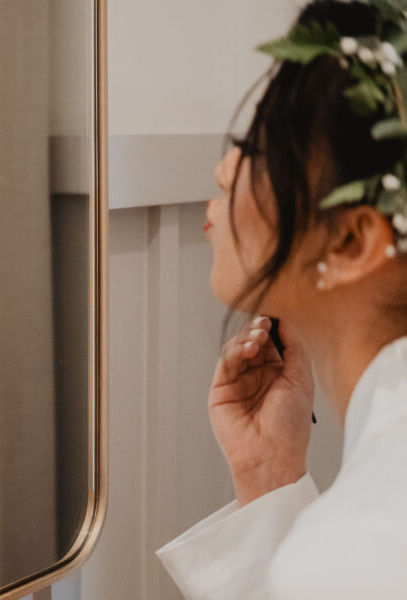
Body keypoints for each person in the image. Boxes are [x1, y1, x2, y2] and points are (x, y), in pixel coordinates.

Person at [157, 1, 407, 598]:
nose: (222, 170)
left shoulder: (366, 545)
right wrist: (269, 476)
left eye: (257, 145)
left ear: (352, 240)